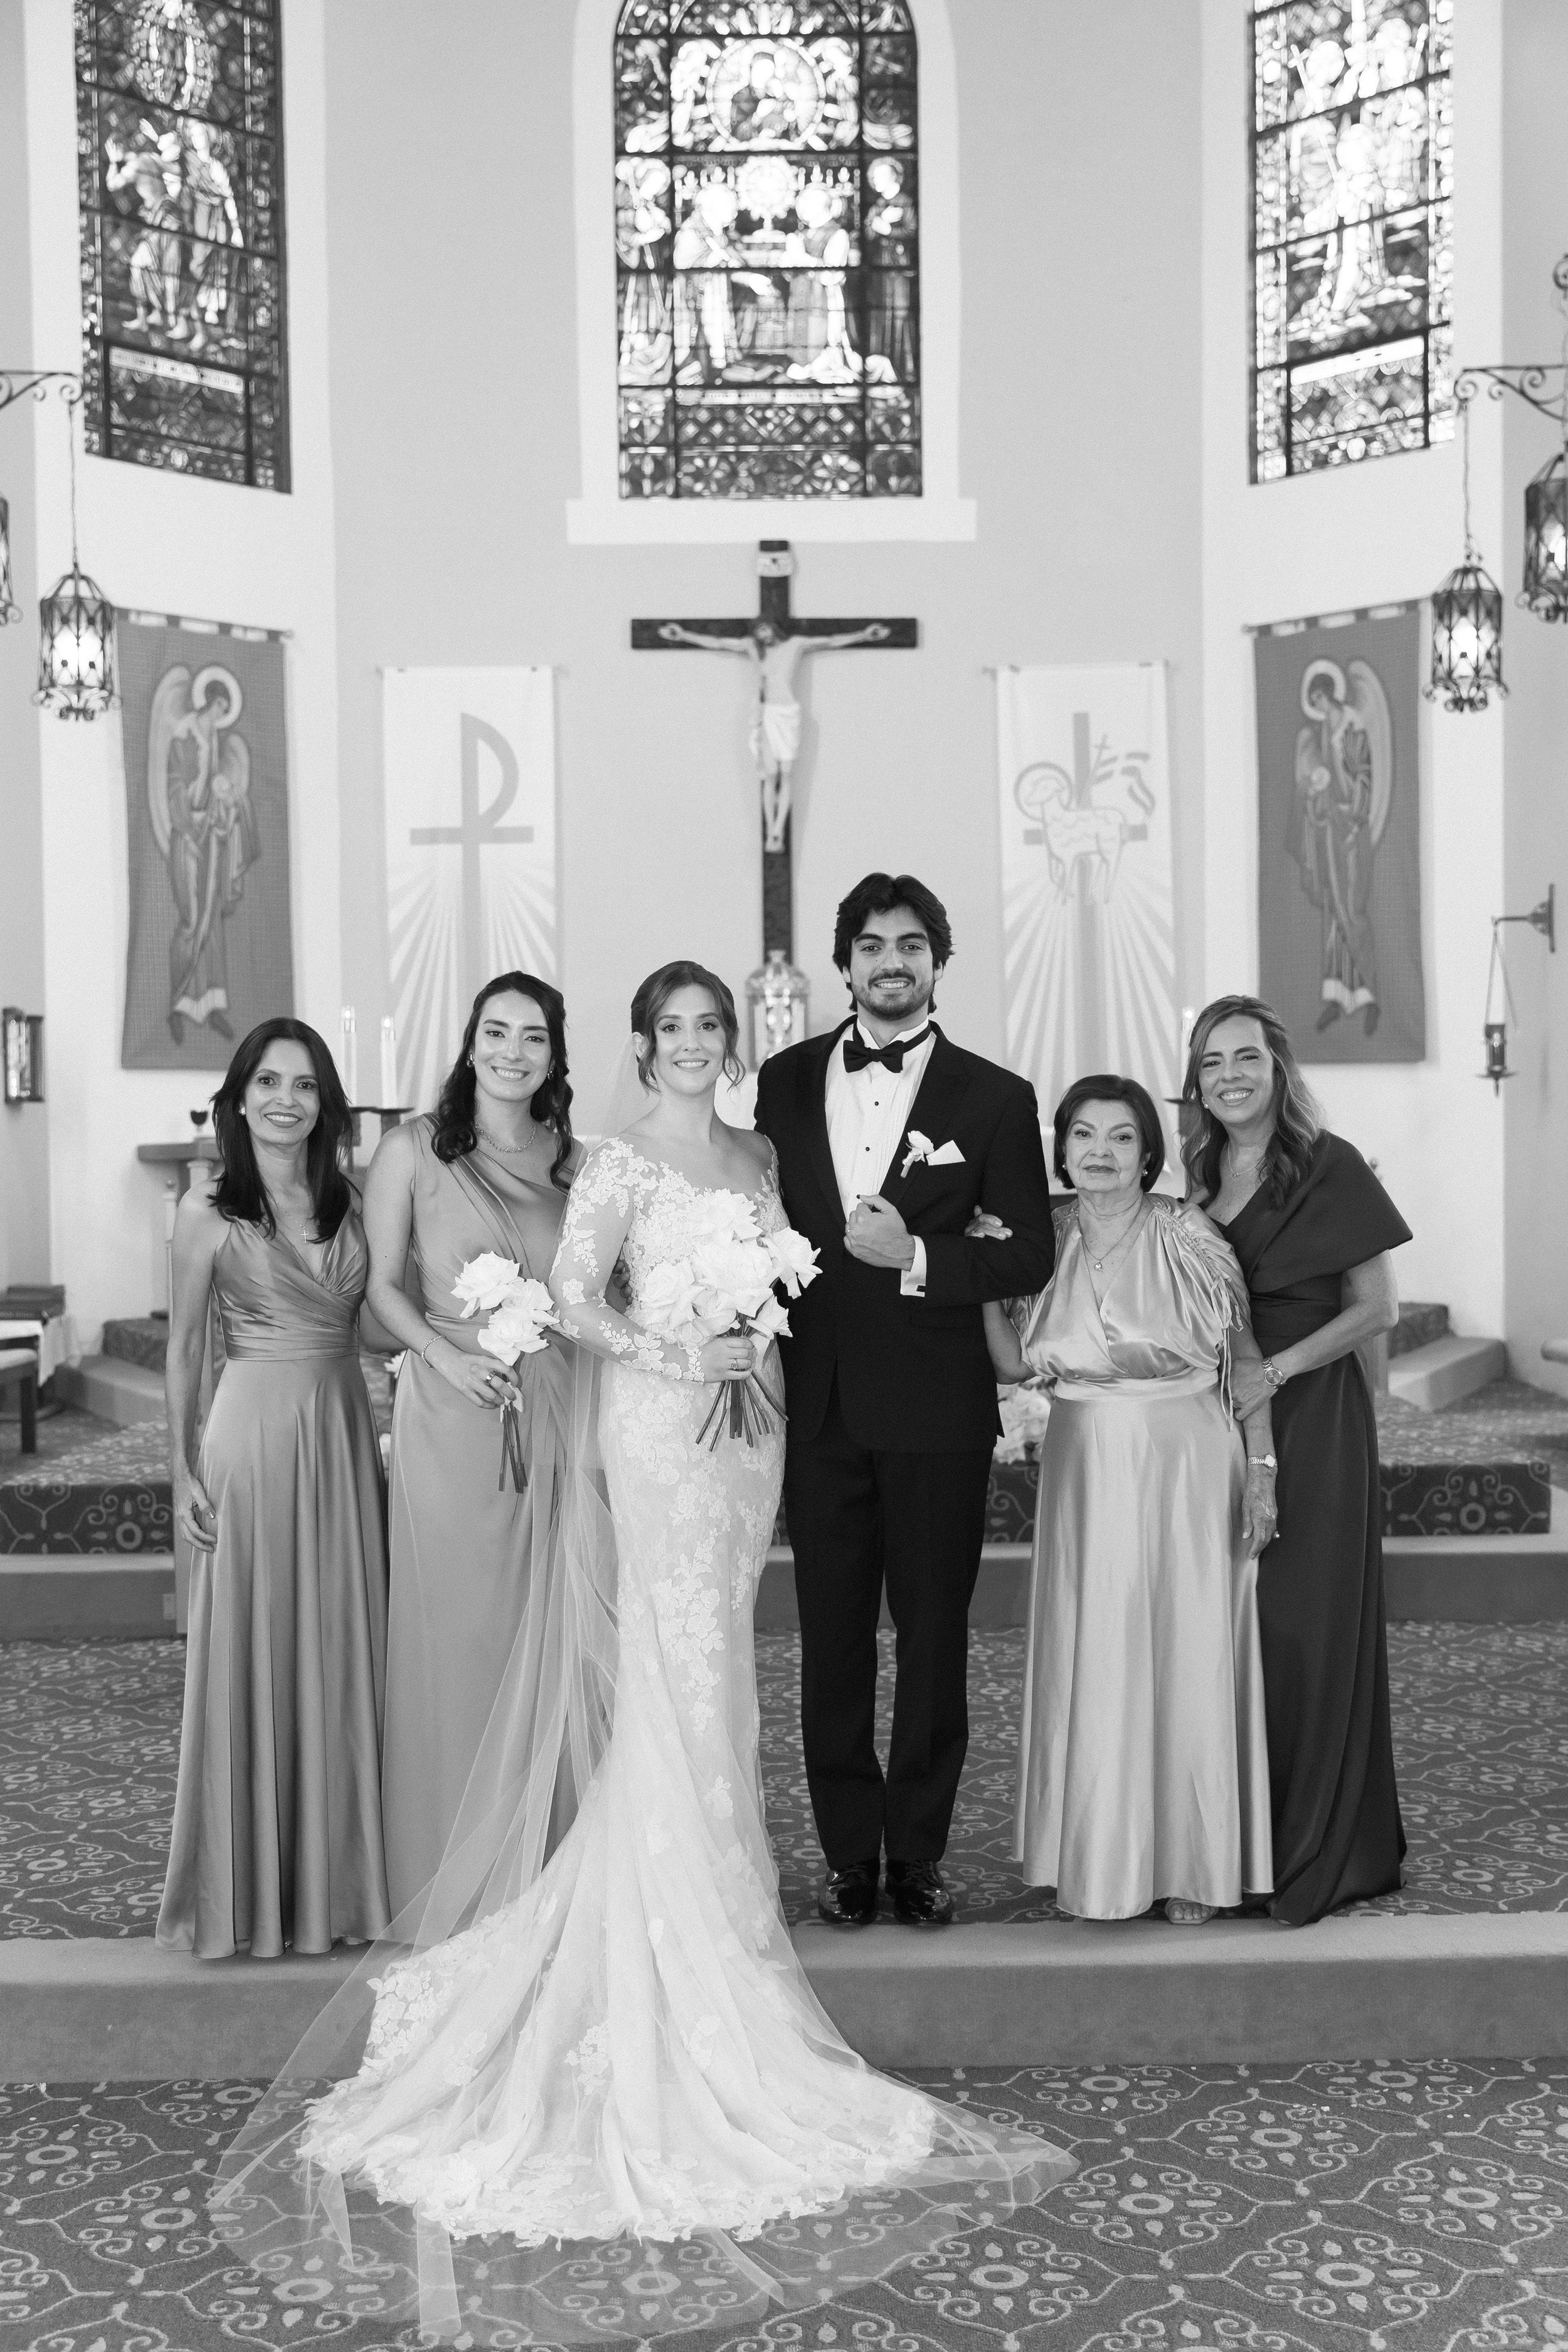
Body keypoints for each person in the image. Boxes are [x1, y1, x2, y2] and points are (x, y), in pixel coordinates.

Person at [213, 961, 1071, 2341]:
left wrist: (755, 1330)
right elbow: (578, 1298)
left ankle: (724, 1884)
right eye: (669, 1027)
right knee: (671, 1659)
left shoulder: (760, 1154)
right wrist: (683, 1348)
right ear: (639, 1043)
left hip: (750, 1428)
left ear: (731, 1045)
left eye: (707, 1027)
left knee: (721, 1657)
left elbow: (794, 1281)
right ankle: (677, 1911)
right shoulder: (613, 1160)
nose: (689, 1042)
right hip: (662, 1425)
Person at [754, 872, 1056, 1927]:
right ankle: (849, 1855)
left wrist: (919, 1255)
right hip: (821, 1403)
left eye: (912, 945)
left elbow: (1030, 1247)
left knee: (933, 1639)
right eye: (873, 945)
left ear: (938, 960)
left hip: (938, 1407)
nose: (892, 962)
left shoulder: (995, 1097)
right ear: (844, 961)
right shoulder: (783, 1081)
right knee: (830, 1639)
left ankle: (918, 1853)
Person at [978, 1076, 1276, 1924]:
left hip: (1187, 1457)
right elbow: (1013, 1363)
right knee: (1094, 1646)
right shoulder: (1043, 1237)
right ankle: (1091, 1854)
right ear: (1061, 1149)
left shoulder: (1188, 1233)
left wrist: (1263, 1470)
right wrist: (979, 1277)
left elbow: (1244, 1362)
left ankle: (1194, 1865)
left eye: (1120, 1137)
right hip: (1083, 1460)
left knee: (1187, 1647)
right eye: (1083, 1135)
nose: (1100, 1152)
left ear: (1149, 1153)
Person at [157, 1020, 389, 1959]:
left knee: (340, 1640)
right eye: (268, 1082)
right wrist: (181, 1468)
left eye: (304, 1085)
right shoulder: (206, 1209)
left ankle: (341, 1884)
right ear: (241, 1096)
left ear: (325, 1102)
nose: (286, 1100)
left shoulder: (352, 1200)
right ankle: (245, 1892)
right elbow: (184, 1348)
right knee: (253, 1642)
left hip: (341, 1433)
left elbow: (378, 1322)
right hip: (250, 1436)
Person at [363, 972, 585, 1917]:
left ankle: (544, 1857)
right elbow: (381, 1287)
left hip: (556, 1408)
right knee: (456, 1634)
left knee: (544, 1627)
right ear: (470, 1042)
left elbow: (595, 1290)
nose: (512, 1052)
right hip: (450, 1414)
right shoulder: (412, 1149)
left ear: (554, 1054)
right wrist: (445, 1359)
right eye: (496, 1032)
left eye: (533, 1037)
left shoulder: (575, 1160)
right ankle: (443, 1860)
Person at [1185, 993, 1410, 1923]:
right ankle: (1235, 1845)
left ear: (1279, 1069)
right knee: (1232, 1630)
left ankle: (1313, 1842)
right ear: (1196, 1083)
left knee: (1302, 1625)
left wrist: (1276, 1369)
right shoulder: (1197, 1174)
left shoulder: (1328, 1164)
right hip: (1217, 1420)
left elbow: (1378, 1308)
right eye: (1211, 1062)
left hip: (1313, 1414)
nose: (1230, 1076)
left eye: (1246, 1057)